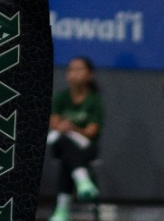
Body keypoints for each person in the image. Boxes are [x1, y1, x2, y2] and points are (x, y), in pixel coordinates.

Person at [46, 57, 104, 221]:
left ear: (89, 75)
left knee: (68, 159)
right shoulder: (61, 97)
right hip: (61, 145)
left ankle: (62, 210)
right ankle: (82, 180)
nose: (74, 73)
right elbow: (54, 121)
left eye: (79, 69)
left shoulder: (94, 100)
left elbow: (91, 132)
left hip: (86, 149)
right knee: (65, 142)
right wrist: (63, 128)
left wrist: (72, 128)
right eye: (71, 69)